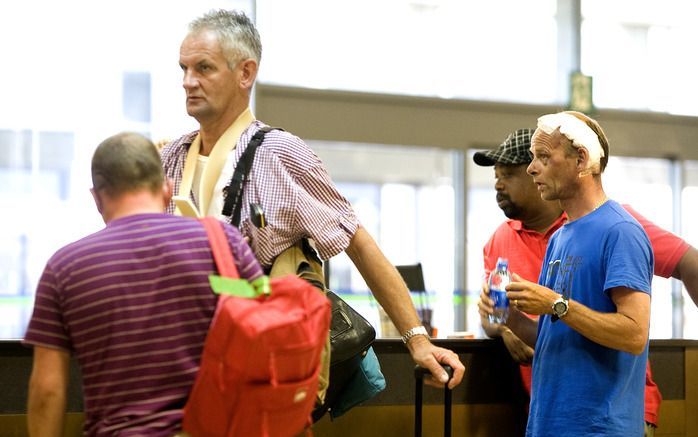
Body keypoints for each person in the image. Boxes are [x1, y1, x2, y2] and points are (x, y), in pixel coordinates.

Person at [159, 9, 464, 388]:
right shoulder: (169, 159)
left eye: (204, 68)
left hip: (258, 370)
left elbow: (357, 241)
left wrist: (417, 340)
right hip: (177, 366)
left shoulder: (280, 154)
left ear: (245, 73)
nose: (189, 82)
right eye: (183, 69)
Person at [23, 132, 265, 436]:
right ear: (166, 189)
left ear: (97, 198)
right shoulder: (223, 244)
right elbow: (267, 335)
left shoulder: (65, 268)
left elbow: (47, 392)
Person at [475, 128, 698, 436]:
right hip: (550, 414)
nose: (500, 183)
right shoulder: (552, 238)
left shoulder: (619, 226)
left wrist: (554, 303)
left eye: (511, 172)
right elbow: (550, 333)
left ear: (576, 162)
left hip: (606, 415)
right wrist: (506, 321)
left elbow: (635, 330)